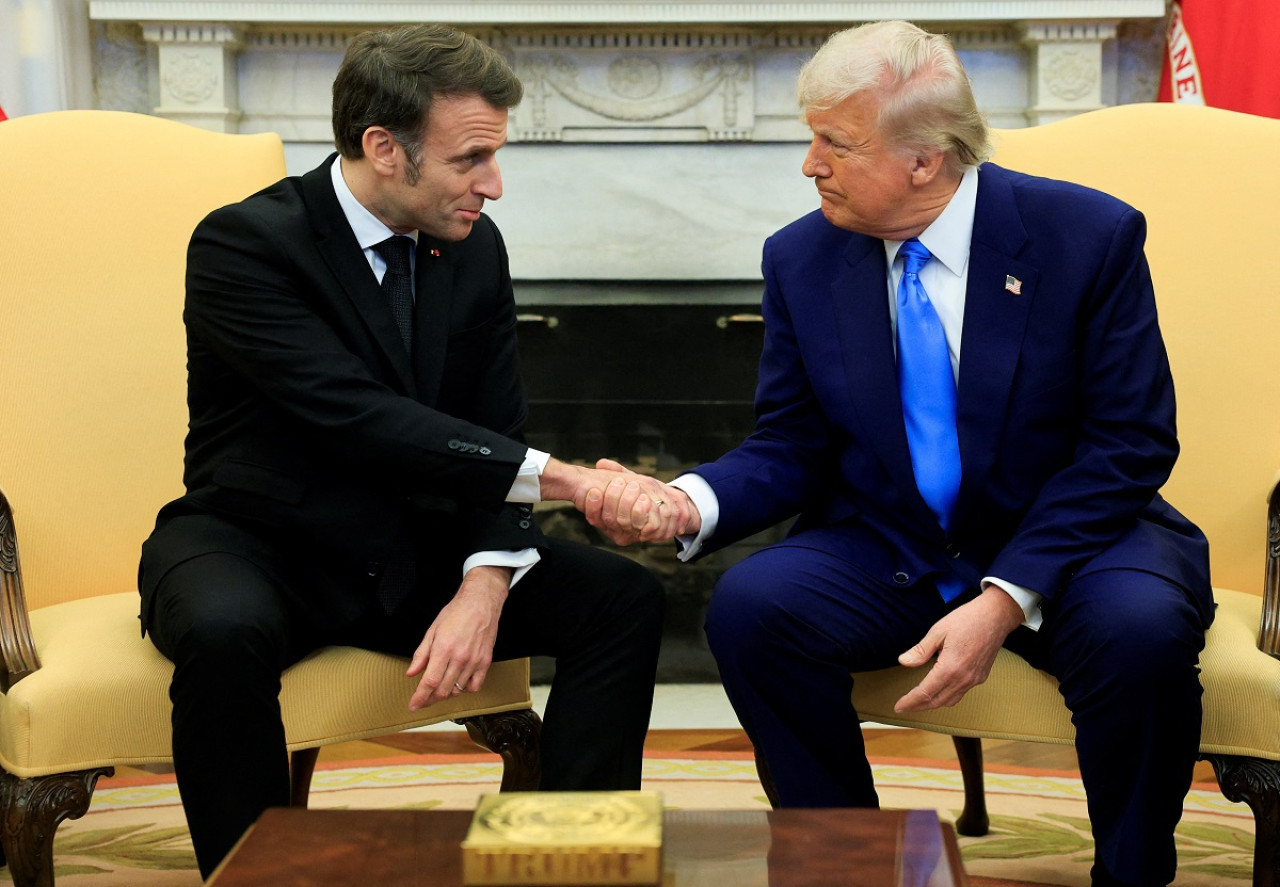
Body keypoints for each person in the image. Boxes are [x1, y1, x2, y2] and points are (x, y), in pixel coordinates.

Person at [584, 21, 1213, 887]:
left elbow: (1129, 442)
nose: (810, 165)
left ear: (925, 158)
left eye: (835, 144)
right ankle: (848, 863)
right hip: (896, 543)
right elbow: (792, 442)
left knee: (1138, 631)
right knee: (753, 607)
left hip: (1077, 534)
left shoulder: (1085, 237)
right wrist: (691, 501)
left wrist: (1004, 596)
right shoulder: (803, 256)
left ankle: (1134, 870)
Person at [138, 23, 664, 878]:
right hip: (260, 541)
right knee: (222, 631)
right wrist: (566, 479)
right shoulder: (245, 244)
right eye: (471, 159)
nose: (493, 185)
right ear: (385, 147)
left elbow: (494, 420)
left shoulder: (471, 244)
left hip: (412, 546)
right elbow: (354, 415)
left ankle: (567, 861)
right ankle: (254, 875)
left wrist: (487, 576)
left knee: (621, 599)